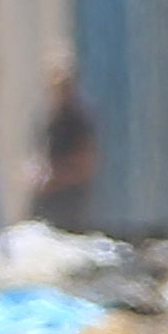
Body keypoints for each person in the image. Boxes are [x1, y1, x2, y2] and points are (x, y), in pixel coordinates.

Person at [26, 57, 104, 235]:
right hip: (47, 202)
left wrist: (56, 177)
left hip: (70, 201)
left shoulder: (79, 117)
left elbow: (86, 163)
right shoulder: (50, 116)